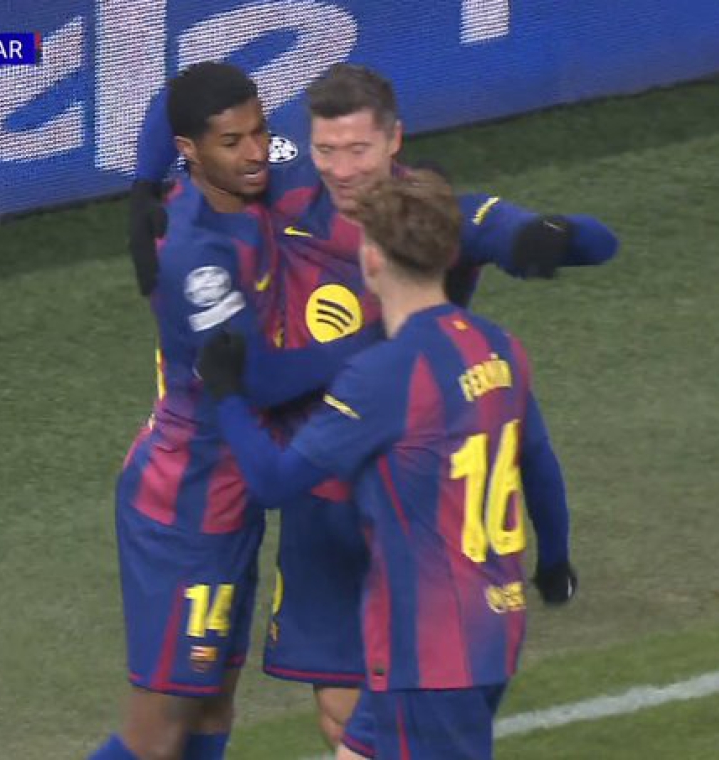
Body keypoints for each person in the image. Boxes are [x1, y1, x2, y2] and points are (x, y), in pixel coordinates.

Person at [127, 62, 616, 748]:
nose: (341, 168)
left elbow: (534, 232)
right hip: (320, 489)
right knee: (338, 714)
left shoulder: (426, 217)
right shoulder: (284, 174)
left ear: (393, 140)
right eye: (327, 149)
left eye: (358, 149)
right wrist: (142, 186)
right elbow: (183, 97)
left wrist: (549, 234)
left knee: (383, 722)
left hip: (408, 495)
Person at [197, 170, 578, 759]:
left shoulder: (386, 374)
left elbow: (274, 481)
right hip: (485, 627)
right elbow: (539, 462)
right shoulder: (498, 346)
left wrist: (226, 395)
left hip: (431, 653)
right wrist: (554, 560)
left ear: (371, 258)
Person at [88, 62, 374, 760]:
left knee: (212, 704)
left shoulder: (247, 171)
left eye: (260, 132)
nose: (255, 153)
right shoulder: (199, 258)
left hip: (233, 495)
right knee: (159, 731)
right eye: (232, 141)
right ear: (190, 150)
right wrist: (371, 343)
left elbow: (173, 95)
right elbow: (260, 384)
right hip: (187, 505)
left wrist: (138, 186)